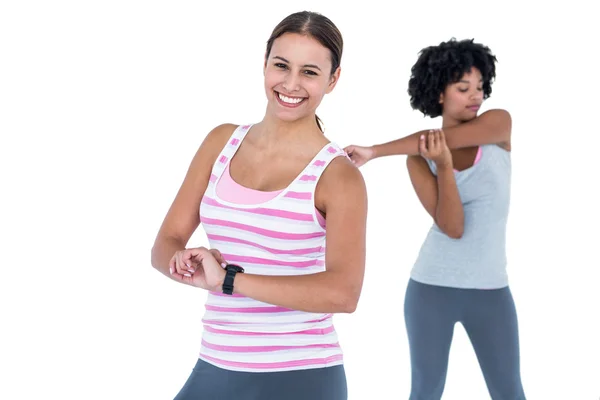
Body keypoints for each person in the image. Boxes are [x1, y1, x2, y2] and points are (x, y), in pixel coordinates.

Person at [150, 11, 367, 400]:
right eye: (281, 66)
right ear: (265, 64)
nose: (291, 84)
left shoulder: (338, 176)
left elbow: (343, 293)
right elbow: (166, 240)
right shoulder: (221, 142)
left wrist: (229, 280)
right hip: (216, 365)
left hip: (303, 375)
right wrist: (182, 261)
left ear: (333, 80)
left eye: (310, 72)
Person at [344, 38, 526, 399]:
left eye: (480, 87)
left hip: (492, 291)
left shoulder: (498, 125)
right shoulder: (418, 160)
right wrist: (442, 167)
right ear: (439, 93)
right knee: (425, 392)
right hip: (431, 289)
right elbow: (453, 228)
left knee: (509, 392)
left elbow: (442, 137)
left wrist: (376, 151)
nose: (476, 96)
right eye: (463, 88)